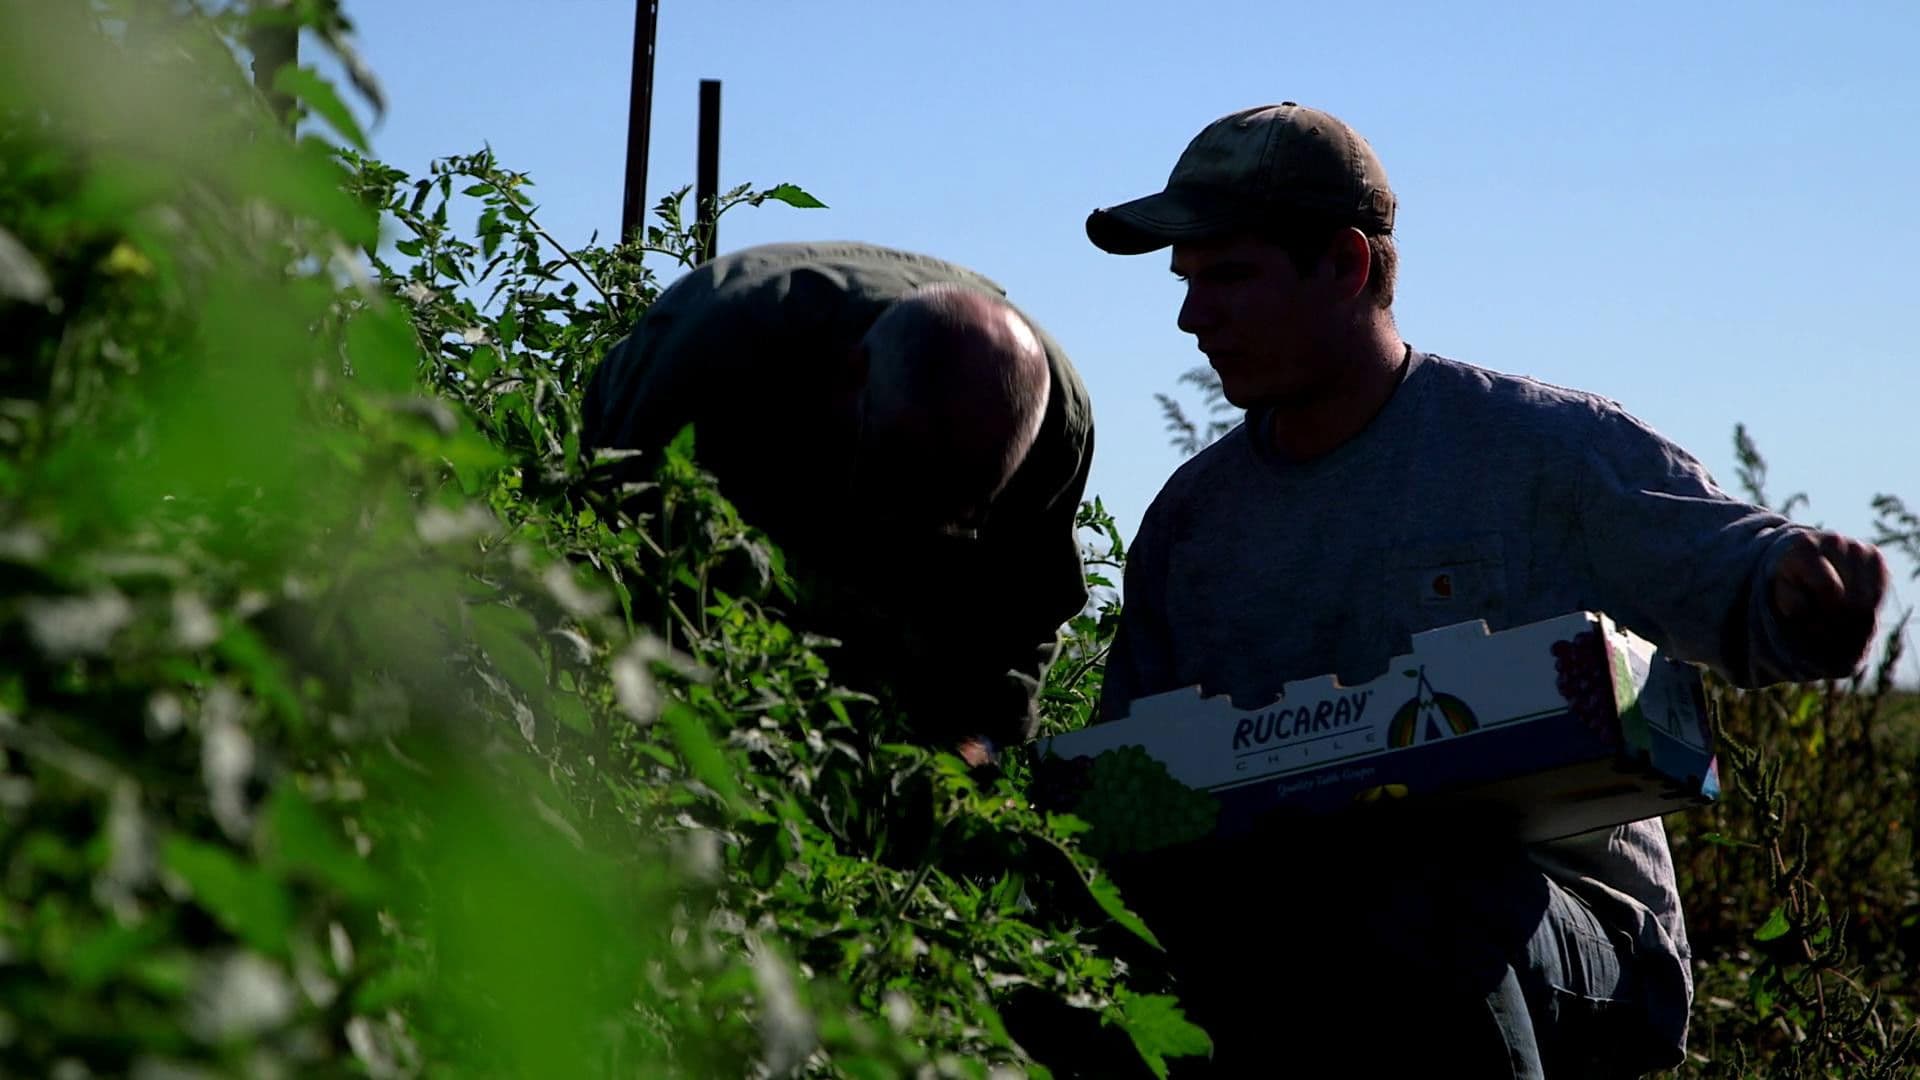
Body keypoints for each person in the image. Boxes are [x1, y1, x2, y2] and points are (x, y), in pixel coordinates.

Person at [1082, 102, 1889, 1076]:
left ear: (1345, 265)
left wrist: (1806, 592)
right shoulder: (1194, 520)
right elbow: (1127, 792)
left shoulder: (1540, 449)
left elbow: (1739, 576)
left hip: (1567, 929)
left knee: (1411, 883)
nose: (1191, 317)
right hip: (1296, 929)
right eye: (1187, 281)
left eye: (1229, 276)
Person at [580, 241, 1097, 768]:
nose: (907, 531)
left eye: (953, 515)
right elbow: (631, 567)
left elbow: (1028, 611)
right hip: (713, 404)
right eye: (900, 489)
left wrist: (979, 741)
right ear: (851, 381)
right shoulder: (712, 369)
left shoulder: (1055, 427)